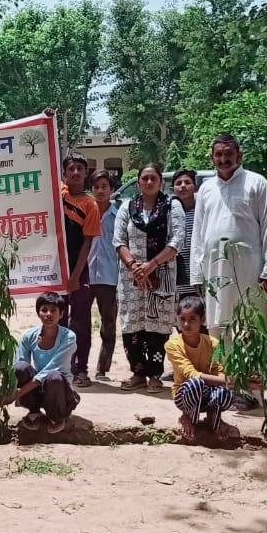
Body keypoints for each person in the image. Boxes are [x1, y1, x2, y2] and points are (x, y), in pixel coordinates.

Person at [190, 134, 267, 345]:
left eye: (228, 154)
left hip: (251, 272)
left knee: (251, 327)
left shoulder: (257, 183)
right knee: (218, 329)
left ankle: (253, 368)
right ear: (212, 158)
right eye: (218, 155)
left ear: (239, 155)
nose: (223, 159)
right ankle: (223, 367)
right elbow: (198, 233)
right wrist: (197, 275)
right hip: (214, 272)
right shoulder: (206, 189)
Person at [115, 163, 185, 392]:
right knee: (132, 323)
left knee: (158, 324)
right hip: (131, 277)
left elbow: (177, 240)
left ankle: (155, 374)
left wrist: (152, 265)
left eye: (153, 178)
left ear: (161, 182)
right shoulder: (127, 207)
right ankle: (137, 374)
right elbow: (119, 241)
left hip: (161, 274)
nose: (148, 182)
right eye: (144, 178)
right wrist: (135, 267)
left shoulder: (172, 206)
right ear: (138, 182)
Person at [0, 292, 79, 437]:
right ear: (38, 313)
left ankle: (56, 415)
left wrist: (15, 395)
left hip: (59, 389)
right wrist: (4, 394)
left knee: (54, 376)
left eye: (53, 310)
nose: (48, 314)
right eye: (44, 310)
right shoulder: (28, 335)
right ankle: (34, 410)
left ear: (61, 314)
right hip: (38, 387)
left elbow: (52, 368)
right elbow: (19, 364)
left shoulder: (68, 337)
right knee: (20, 367)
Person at [165, 296, 237, 440]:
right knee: (195, 383)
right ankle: (187, 417)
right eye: (182, 319)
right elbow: (191, 374)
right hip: (185, 395)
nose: (186, 324)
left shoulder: (213, 343)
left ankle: (213, 418)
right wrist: (230, 381)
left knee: (225, 393)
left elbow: (220, 371)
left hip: (207, 394)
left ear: (202, 319)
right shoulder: (172, 345)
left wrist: (226, 381)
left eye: (192, 319)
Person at [60, 151, 102, 387]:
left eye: (80, 169)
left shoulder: (90, 204)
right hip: (54, 271)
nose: (75, 172)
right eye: (71, 168)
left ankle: (80, 369)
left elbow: (87, 243)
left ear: (86, 173)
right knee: (56, 319)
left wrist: (75, 276)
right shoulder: (57, 194)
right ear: (64, 173)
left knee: (80, 322)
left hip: (78, 271)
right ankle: (59, 367)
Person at [86, 170, 119, 382]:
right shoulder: (86, 212)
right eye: (96, 187)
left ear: (112, 189)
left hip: (110, 275)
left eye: (104, 187)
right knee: (80, 322)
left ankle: (102, 369)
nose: (100, 191)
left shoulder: (119, 215)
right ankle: (77, 366)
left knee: (108, 323)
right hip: (86, 274)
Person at [172, 169, 200, 304]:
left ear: (195, 186)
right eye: (178, 183)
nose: (183, 186)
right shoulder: (169, 212)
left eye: (187, 182)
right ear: (173, 189)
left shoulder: (201, 210)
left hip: (199, 274)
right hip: (179, 275)